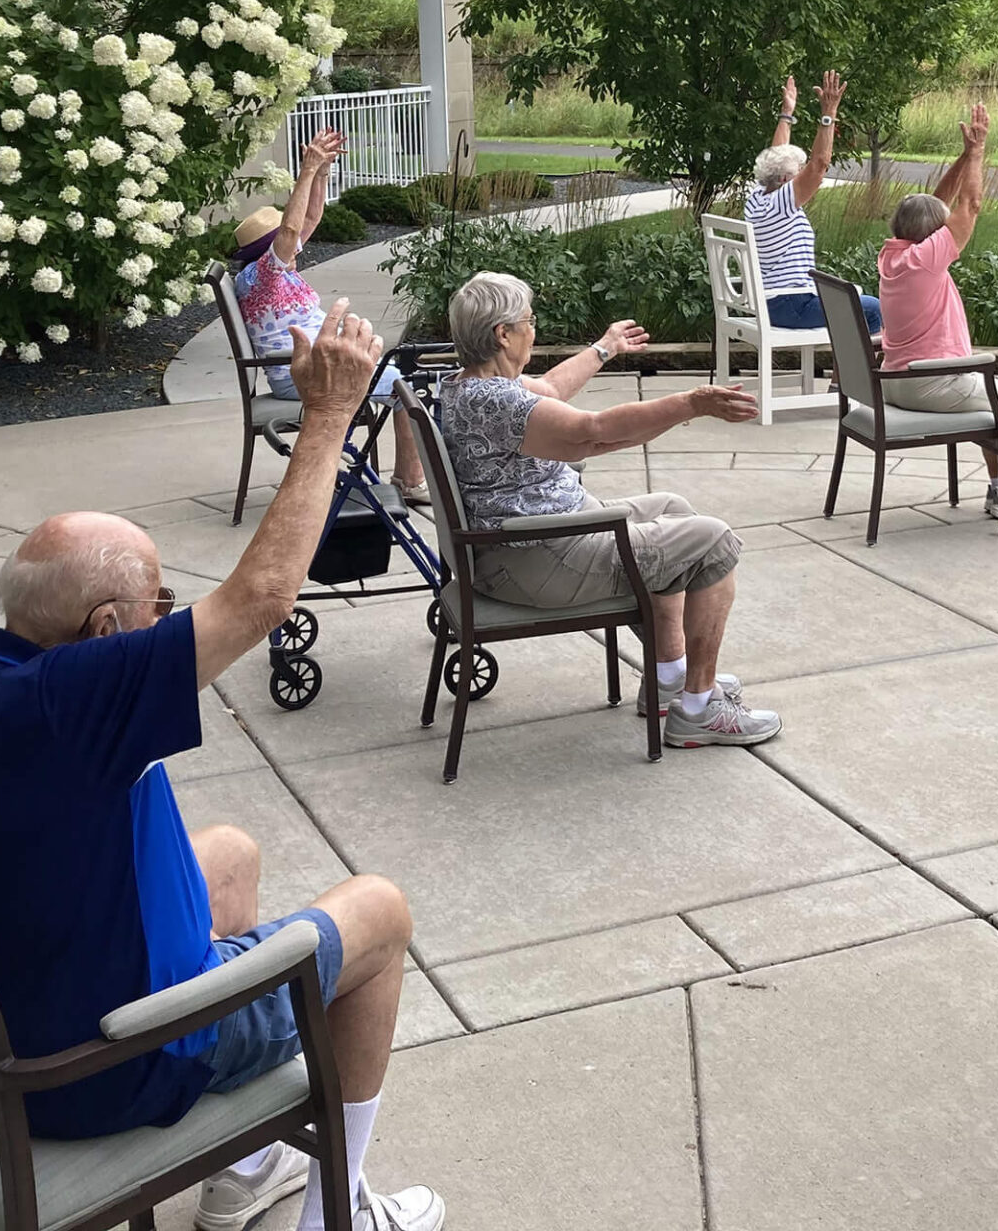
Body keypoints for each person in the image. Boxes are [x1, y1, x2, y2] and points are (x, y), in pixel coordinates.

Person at [0, 302, 442, 1231]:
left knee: (230, 853)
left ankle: (243, 1177)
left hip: (15, 1018)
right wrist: (327, 418)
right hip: (108, 1064)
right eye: (159, 599)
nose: (172, 612)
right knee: (380, 915)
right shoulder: (76, 701)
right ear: (105, 633)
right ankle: (337, 1216)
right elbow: (266, 596)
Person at [437, 271, 780, 746]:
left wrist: (606, 347)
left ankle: (667, 678)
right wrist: (691, 402)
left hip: (516, 547)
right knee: (712, 539)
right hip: (541, 559)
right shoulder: (497, 400)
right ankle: (700, 709)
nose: (534, 329)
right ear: (503, 334)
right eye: (529, 321)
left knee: (676, 510)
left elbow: (552, 393)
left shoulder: (461, 387)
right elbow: (594, 430)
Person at [876, 103, 998, 521]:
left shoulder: (895, 256)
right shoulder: (927, 261)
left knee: (993, 407)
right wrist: (978, 155)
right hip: (932, 383)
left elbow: (936, 204)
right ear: (932, 237)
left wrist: (963, 155)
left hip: (896, 380)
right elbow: (969, 205)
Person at [231, 127, 426, 502]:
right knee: (406, 388)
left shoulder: (271, 272)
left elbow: (309, 219)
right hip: (303, 373)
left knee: (401, 374)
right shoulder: (263, 276)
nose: (297, 240)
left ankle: (384, 475)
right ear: (269, 246)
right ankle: (408, 481)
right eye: (287, 240)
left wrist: (322, 172)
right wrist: (306, 169)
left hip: (314, 363)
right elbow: (291, 228)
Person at [747, 68, 881, 333]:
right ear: (786, 179)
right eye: (798, 173)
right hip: (791, 304)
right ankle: (854, 375)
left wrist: (787, 114)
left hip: (773, 301)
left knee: (851, 300)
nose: (802, 177)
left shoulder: (757, 196)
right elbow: (819, 164)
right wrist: (829, 114)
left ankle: (844, 375)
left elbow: (777, 155)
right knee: (873, 309)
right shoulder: (782, 204)